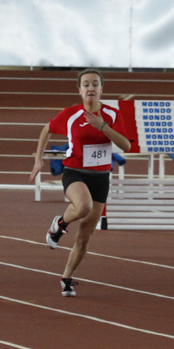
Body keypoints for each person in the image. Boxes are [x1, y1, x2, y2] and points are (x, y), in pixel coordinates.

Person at [28, 69, 132, 297]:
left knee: (84, 237)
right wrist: (38, 160)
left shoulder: (112, 114)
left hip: (101, 178)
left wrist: (102, 126)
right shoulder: (70, 114)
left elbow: (126, 145)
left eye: (95, 84)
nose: (90, 88)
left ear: (101, 89)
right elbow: (46, 130)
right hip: (75, 172)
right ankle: (60, 223)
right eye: (86, 84)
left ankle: (66, 279)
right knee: (83, 206)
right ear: (80, 90)